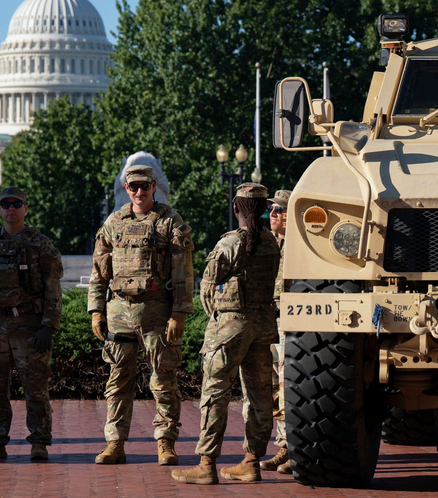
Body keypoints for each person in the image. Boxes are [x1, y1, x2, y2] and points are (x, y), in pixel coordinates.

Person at [172, 182, 280, 485]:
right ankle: (251, 462)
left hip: (231, 327)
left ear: (236, 209)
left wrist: (221, 316)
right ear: (262, 211)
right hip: (263, 325)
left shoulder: (228, 244)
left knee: (215, 392)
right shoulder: (272, 243)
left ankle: (206, 464)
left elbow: (206, 292)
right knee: (259, 394)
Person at [88, 165, 194, 466]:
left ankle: (165, 442)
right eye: (133, 186)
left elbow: (183, 272)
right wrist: (96, 310)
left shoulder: (169, 221)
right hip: (119, 311)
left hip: (157, 312)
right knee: (117, 380)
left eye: (144, 186)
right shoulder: (114, 222)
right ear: (126, 187)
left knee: (163, 380)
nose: (138, 192)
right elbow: (99, 272)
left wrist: (179, 313)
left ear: (154, 186)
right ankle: (115, 442)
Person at [0, 186, 62, 461]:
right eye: (5, 204)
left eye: (16, 204)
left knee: (35, 387)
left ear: (25, 208)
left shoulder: (40, 243)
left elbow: (53, 289)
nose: (11, 209)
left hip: (29, 325)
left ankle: (39, 442)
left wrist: (48, 326)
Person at [260, 189, 292, 474]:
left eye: (278, 211)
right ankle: (284, 445)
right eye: (270, 211)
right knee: (271, 386)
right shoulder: (268, 244)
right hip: (268, 321)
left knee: (287, 386)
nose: (272, 215)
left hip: (290, 324)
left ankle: (293, 448)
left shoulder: (301, 247)